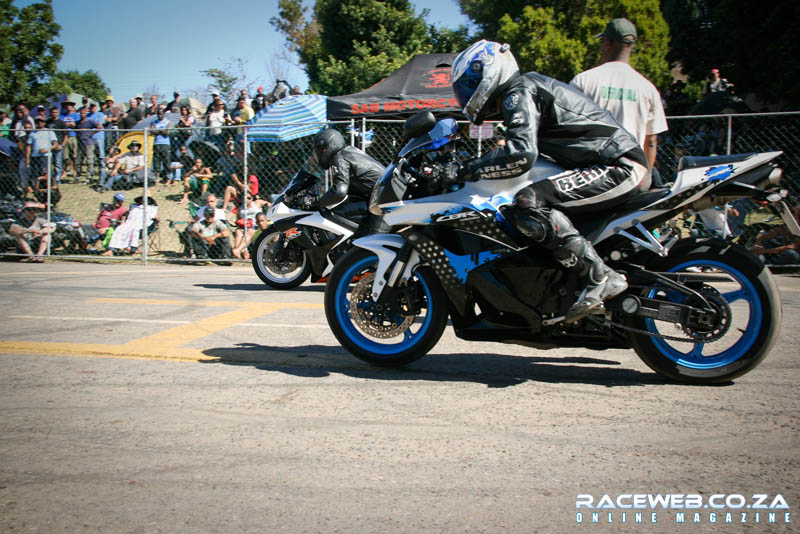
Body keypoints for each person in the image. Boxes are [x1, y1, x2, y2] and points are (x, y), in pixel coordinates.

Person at [451, 40, 650, 322]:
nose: (466, 92)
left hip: (618, 166)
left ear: (490, 71)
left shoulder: (518, 92)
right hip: (609, 164)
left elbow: (521, 154)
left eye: (469, 83)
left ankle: (600, 276)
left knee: (527, 203)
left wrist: (464, 170)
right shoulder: (523, 92)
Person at [570, 18, 668, 175]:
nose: (601, 47)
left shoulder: (584, 81)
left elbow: (568, 129)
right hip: (630, 175)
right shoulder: (648, 89)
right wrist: (645, 176)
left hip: (590, 173)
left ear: (608, 43)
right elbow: (650, 142)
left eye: (602, 42)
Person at [311, 128, 384, 235]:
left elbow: (339, 191)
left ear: (326, 146)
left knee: (372, 240)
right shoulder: (350, 152)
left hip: (383, 199)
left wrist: (316, 202)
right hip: (382, 195)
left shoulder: (340, 157)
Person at [26, 116, 58, 199]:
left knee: (46, 175)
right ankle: (36, 195)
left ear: (44, 122)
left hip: (45, 157)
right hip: (35, 157)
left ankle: (50, 194)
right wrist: (27, 159)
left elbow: (55, 144)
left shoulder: (49, 132)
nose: (39, 123)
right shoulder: (32, 133)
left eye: (41, 121)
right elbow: (28, 146)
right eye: (37, 121)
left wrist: (47, 150)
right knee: (35, 176)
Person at [59, 100, 80, 179]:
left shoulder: (76, 115)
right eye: (66, 105)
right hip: (65, 137)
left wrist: (70, 125)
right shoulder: (62, 115)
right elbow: (62, 125)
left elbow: (76, 125)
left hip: (73, 136)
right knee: (65, 156)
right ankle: (64, 172)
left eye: (70, 105)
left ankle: (75, 171)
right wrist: (69, 124)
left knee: (74, 155)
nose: (68, 106)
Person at [46, 106, 67, 183]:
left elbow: (66, 135)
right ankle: (50, 179)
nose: (54, 114)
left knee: (58, 164)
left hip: (58, 146)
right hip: (49, 146)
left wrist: (62, 145)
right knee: (49, 164)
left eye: (56, 112)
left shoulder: (61, 123)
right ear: (50, 113)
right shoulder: (47, 122)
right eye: (53, 112)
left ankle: (58, 179)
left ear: (58, 113)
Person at [151, 109, 171, 183]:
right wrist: (162, 130)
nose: (160, 115)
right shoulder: (154, 122)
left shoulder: (167, 122)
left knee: (166, 160)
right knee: (156, 161)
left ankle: (167, 176)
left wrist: (158, 130)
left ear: (164, 114)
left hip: (165, 143)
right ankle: (157, 177)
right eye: (158, 114)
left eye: (161, 114)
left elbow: (168, 132)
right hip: (156, 143)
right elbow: (152, 131)